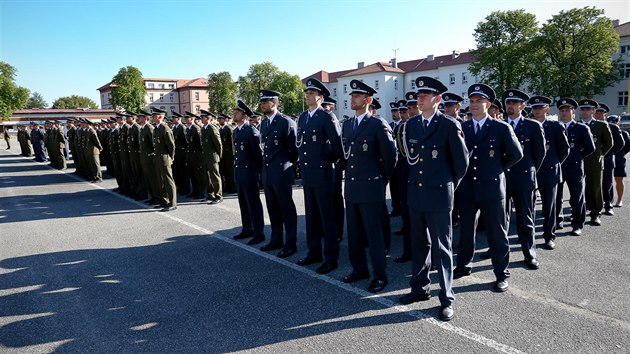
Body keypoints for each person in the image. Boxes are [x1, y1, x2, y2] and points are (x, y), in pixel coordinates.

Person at [397, 76, 468, 322]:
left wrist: (447, 185)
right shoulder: (412, 125)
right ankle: (419, 288)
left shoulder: (448, 125)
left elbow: (461, 163)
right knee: (419, 244)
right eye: (419, 95)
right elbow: (409, 159)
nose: (420, 99)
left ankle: (447, 298)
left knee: (442, 248)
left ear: (437, 100)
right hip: (416, 193)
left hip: (439, 194)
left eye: (425, 96)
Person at [454, 83, 523, 293]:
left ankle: (501, 274)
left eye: (479, 101)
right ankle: (464, 265)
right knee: (466, 230)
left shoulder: (501, 128)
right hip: (468, 188)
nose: (474, 105)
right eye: (472, 101)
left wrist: (496, 169)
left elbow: (516, 154)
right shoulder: (462, 128)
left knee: (497, 233)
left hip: (492, 189)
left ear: (488, 104)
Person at [340, 80, 396, 293]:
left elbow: (391, 158)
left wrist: (380, 180)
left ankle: (380, 276)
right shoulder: (347, 124)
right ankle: (359, 269)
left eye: (357, 96)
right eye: (352, 95)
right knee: (354, 234)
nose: (352, 99)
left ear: (368, 100)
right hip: (352, 188)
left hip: (371, 188)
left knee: (374, 236)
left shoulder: (378, 124)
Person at [295, 78, 343, 272]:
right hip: (308, 174)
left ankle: (330, 257)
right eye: (307, 93)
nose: (308, 96)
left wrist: (325, 161)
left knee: (327, 218)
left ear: (321, 97)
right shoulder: (304, 117)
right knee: (312, 216)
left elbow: (338, 147)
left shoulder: (327, 117)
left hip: (323, 174)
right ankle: (313, 252)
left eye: (312, 93)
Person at [502, 89, 546, 269]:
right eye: (508, 103)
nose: (510, 106)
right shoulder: (499, 125)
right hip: (503, 178)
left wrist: (530, 170)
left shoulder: (533, 126)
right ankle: (498, 251)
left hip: (524, 179)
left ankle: (530, 254)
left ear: (522, 106)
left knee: (525, 219)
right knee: (500, 219)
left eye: (514, 103)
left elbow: (539, 154)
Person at [258, 89, 299, 253]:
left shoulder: (285, 122)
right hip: (268, 172)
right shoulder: (265, 123)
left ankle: (291, 243)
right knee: (272, 208)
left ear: (274, 103)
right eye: (261, 102)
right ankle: (276, 239)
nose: (262, 105)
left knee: (286, 208)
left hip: (282, 171)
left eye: (265, 102)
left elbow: (294, 150)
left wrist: (289, 168)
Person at [530, 95, 570, 250]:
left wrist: (554, 163)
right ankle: (527, 235)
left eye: (540, 107)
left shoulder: (555, 127)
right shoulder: (527, 126)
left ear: (547, 109)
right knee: (528, 207)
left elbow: (564, 150)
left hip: (549, 171)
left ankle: (549, 236)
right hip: (531, 171)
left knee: (549, 206)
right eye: (534, 108)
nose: (537, 110)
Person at [555, 98, 596, 236]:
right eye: (562, 110)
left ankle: (577, 224)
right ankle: (557, 221)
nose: (564, 113)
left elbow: (591, 148)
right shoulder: (555, 127)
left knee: (577, 197)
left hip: (575, 168)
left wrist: (578, 157)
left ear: (573, 112)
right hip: (559, 167)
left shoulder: (581, 128)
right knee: (556, 197)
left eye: (567, 110)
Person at [231, 100, 266, 245]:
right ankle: (247, 228)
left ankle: (259, 233)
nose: (234, 114)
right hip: (240, 172)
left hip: (250, 172)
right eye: (234, 112)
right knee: (243, 203)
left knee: (253, 204)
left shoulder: (251, 131)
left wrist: (258, 173)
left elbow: (259, 155)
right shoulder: (236, 131)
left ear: (244, 116)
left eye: (237, 113)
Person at [579, 99, 613, 226]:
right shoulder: (576, 125)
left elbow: (609, 143)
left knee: (596, 188)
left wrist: (600, 154)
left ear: (593, 111)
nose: (585, 111)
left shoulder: (601, 125)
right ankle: (578, 212)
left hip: (594, 162)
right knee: (577, 189)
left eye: (588, 109)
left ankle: (595, 213)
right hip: (578, 162)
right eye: (583, 109)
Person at [595, 103, 625, 215]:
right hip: (593, 160)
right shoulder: (591, 126)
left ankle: (608, 205)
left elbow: (620, 144)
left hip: (607, 159)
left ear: (605, 114)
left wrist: (609, 153)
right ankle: (592, 206)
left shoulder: (613, 127)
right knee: (593, 184)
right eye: (596, 112)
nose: (598, 115)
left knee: (607, 184)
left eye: (600, 113)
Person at [322, 97, 345, 243]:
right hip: (323, 167)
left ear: (333, 107)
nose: (325, 108)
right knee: (325, 201)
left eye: (327, 106)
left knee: (335, 199)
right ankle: (327, 229)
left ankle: (338, 230)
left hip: (334, 166)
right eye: (323, 106)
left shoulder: (333, 121)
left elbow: (339, 146)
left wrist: (338, 164)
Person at [152, 108, 177, 211]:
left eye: (154, 116)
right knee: (161, 181)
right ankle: (164, 201)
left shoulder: (165, 129)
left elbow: (171, 146)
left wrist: (171, 157)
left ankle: (172, 203)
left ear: (160, 117)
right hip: (158, 158)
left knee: (168, 181)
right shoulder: (156, 128)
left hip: (164, 158)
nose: (152, 117)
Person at [200, 110, 223, 204]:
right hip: (205, 156)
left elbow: (218, 144)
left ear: (208, 118)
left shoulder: (212, 128)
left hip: (212, 156)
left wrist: (218, 155)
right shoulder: (203, 128)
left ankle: (218, 195)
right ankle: (210, 194)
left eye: (203, 117)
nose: (201, 118)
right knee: (207, 176)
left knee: (215, 176)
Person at [138, 111, 160, 206]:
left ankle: (157, 197)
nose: (138, 119)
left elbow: (153, 144)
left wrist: (152, 155)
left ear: (144, 118)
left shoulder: (149, 128)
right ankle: (152, 197)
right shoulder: (143, 129)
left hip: (150, 157)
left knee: (153, 179)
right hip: (144, 157)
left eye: (140, 117)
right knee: (148, 179)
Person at [608, 115, 630, 207]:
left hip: (619, 159)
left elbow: (628, 147)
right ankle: (606, 200)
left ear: (618, 122)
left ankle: (619, 200)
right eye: (611, 121)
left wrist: (620, 154)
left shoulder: (624, 133)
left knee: (619, 179)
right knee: (605, 182)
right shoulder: (606, 132)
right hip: (607, 160)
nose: (614, 123)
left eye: (615, 121)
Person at [184, 111, 205, 200]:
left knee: (198, 175)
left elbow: (200, 144)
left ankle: (201, 192)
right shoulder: (188, 129)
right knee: (192, 174)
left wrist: (200, 156)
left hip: (197, 156)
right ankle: (195, 191)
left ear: (192, 119)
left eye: (187, 118)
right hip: (190, 155)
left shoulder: (196, 129)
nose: (185, 119)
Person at [172, 112, 191, 196]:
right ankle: (180, 188)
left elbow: (185, 142)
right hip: (177, 153)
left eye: (174, 118)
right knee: (177, 172)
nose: (173, 119)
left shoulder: (182, 127)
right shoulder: (175, 128)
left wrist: (185, 153)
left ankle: (186, 189)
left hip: (182, 153)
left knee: (183, 172)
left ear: (178, 119)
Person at [217, 113, 236, 195]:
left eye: (221, 119)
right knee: (224, 171)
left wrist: (233, 155)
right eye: (219, 119)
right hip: (224, 154)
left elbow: (232, 143)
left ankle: (233, 188)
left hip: (229, 154)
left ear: (225, 120)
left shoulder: (229, 129)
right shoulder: (221, 129)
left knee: (230, 172)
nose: (219, 120)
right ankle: (227, 186)